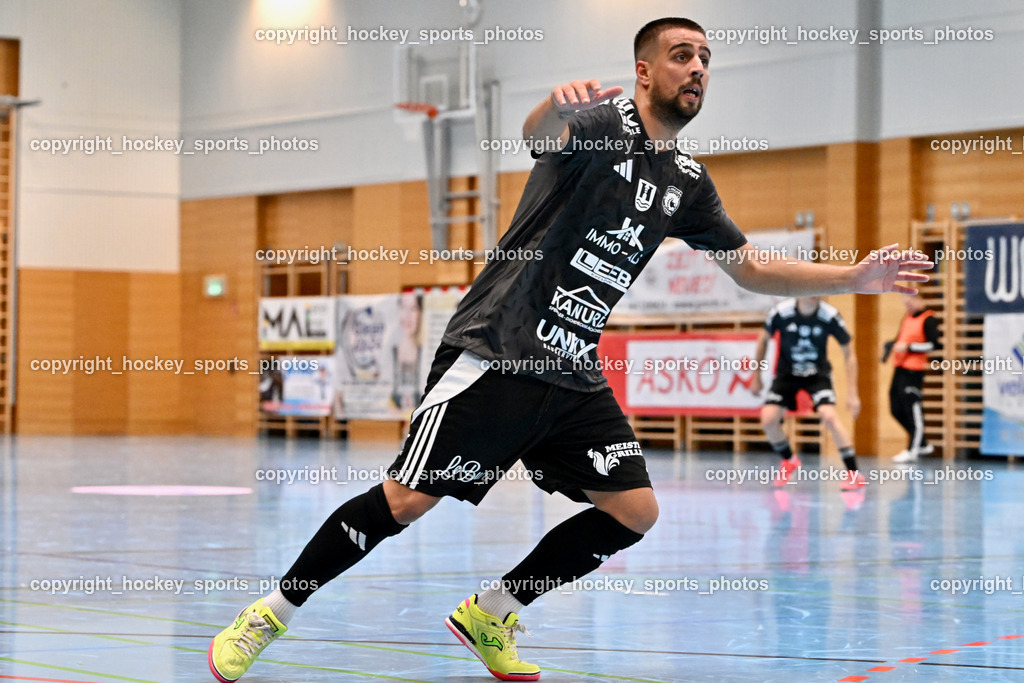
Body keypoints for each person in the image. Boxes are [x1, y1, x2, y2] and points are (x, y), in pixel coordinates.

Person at [209, 17, 931, 682]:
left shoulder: (686, 182)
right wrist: (554, 105)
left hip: (574, 370)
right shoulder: (596, 125)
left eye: (707, 59)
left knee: (634, 510)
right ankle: (270, 611)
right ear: (644, 71)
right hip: (497, 351)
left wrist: (854, 277)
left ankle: (491, 610)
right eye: (683, 56)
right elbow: (537, 132)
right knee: (405, 501)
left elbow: (746, 267)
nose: (698, 68)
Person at [750, 296, 864, 490]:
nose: (813, 293)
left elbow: (849, 353)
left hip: (817, 375)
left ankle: (854, 474)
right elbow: (763, 340)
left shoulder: (829, 316)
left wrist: (853, 393)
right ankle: (789, 460)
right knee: (768, 419)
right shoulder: (781, 312)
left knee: (829, 416)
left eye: (817, 289)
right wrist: (756, 375)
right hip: (787, 374)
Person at [888, 292, 939, 463]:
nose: (907, 306)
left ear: (919, 299)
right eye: (905, 303)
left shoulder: (928, 319)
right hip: (900, 368)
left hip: (914, 371)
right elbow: (900, 339)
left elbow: (934, 344)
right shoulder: (907, 318)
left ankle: (913, 449)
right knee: (895, 408)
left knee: (912, 408)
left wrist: (910, 347)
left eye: (910, 303)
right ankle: (923, 443)